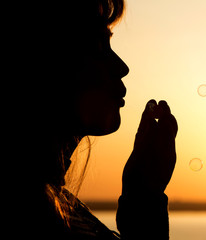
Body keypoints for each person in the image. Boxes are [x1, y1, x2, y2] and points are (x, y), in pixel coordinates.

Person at [5, 0, 177, 239]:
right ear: (47, 59)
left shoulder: (58, 206)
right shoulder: (30, 214)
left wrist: (143, 193)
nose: (122, 67)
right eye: (98, 46)